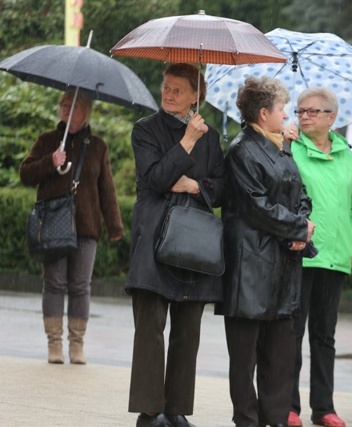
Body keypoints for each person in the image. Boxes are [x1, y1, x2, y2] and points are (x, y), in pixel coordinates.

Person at [126, 63, 226, 427]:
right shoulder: (145, 130)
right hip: (154, 237)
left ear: (196, 96)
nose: (168, 94)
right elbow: (155, 180)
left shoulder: (211, 137)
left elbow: (222, 186)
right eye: (166, 87)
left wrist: (195, 186)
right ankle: (149, 411)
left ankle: (177, 409)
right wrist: (186, 143)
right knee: (150, 329)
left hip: (196, 240)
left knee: (188, 329)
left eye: (177, 90)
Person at [220, 76, 314, 427]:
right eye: (281, 108)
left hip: (283, 266)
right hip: (250, 267)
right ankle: (246, 420)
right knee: (245, 359)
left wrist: (302, 227)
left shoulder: (280, 147)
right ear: (263, 113)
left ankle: (274, 420)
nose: (287, 114)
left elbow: (301, 195)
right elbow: (255, 206)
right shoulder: (242, 150)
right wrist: (296, 227)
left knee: (280, 356)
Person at [19, 89, 124, 365]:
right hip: (53, 224)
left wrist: (115, 226)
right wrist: (50, 162)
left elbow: (107, 190)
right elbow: (25, 173)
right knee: (54, 284)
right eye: (64, 105)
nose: (67, 109)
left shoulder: (98, 146)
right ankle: (54, 344)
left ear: (86, 111)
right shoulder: (47, 141)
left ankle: (76, 345)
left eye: (74, 106)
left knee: (80, 286)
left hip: (86, 227)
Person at [287, 87, 352, 427]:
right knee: (291, 333)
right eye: (300, 111)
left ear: (331, 117)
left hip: (336, 257)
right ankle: (288, 405)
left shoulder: (346, 154)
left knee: (324, 336)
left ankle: (324, 408)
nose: (304, 116)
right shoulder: (290, 146)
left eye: (312, 112)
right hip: (299, 255)